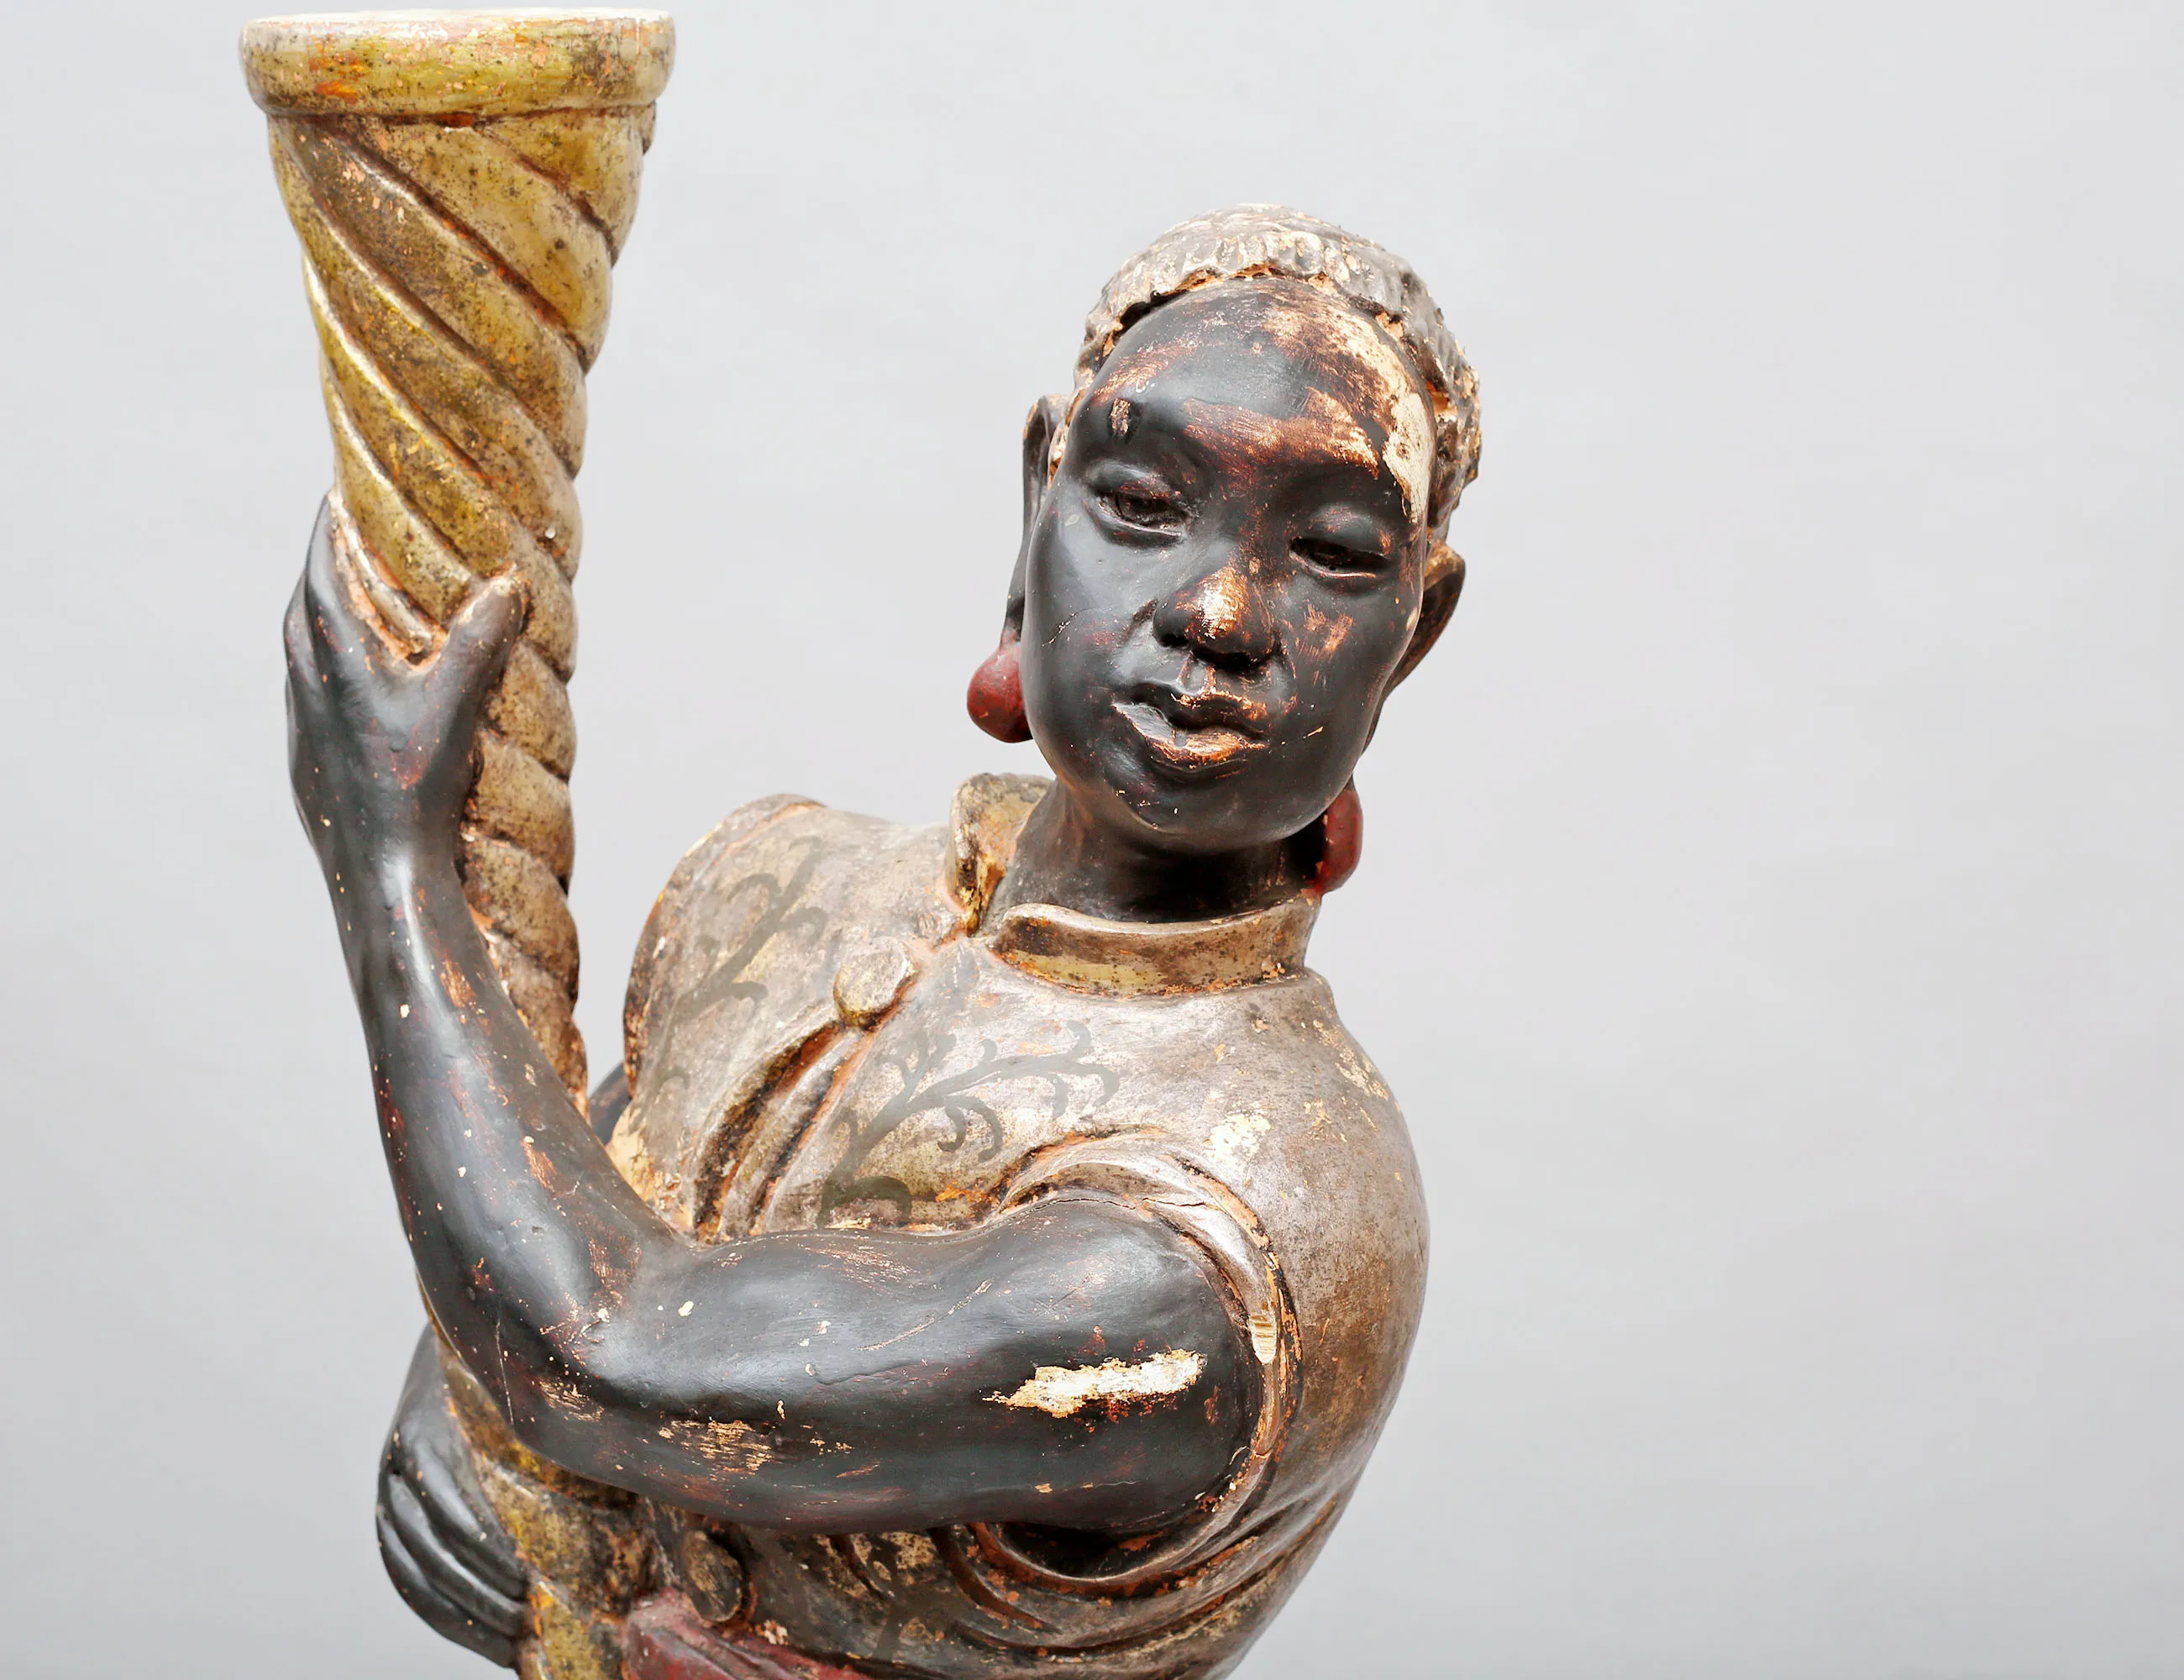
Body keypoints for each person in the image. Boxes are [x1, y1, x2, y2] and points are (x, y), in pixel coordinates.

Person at [289, 205, 1480, 1680]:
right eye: (1141, 501)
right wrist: (460, 1385)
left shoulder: (1259, 1216)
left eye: (1334, 550)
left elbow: (606, 1351)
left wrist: (393, 872)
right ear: (1036, 503)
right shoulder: (781, 883)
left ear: (1413, 631)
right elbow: (561, 1188)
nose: (1221, 610)